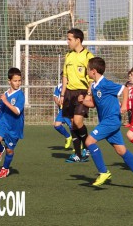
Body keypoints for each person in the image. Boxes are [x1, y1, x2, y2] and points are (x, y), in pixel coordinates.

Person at [81, 57, 133, 191]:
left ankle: (103, 172)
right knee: (121, 150)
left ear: (93, 71)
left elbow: (125, 90)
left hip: (111, 120)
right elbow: (94, 104)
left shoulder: (105, 83)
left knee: (89, 142)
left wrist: (123, 105)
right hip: (107, 121)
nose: (87, 71)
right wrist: (83, 101)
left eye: (88, 69)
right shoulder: (94, 86)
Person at [59, 28, 94, 163]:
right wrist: (62, 94)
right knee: (73, 123)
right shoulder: (68, 55)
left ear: (78, 40)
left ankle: (87, 147)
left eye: (69, 39)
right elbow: (65, 76)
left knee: (78, 121)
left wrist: (89, 94)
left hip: (82, 92)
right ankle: (78, 154)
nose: (67, 42)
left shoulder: (88, 56)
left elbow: (91, 79)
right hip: (69, 93)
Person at [53, 78, 72, 149]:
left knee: (72, 127)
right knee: (57, 125)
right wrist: (58, 102)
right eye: (62, 77)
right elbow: (55, 96)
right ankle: (68, 137)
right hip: (62, 110)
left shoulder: (71, 86)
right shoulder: (59, 86)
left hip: (69, 110)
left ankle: (79, 144)